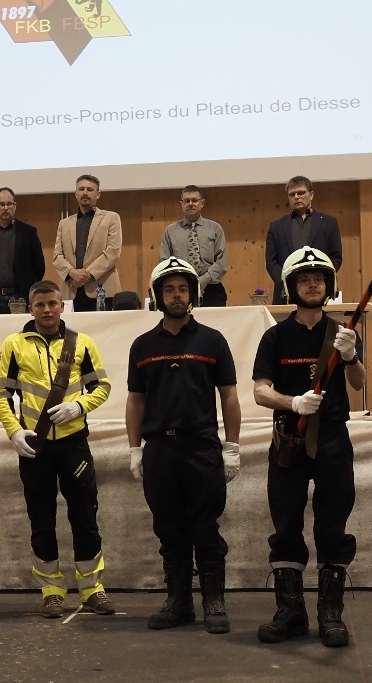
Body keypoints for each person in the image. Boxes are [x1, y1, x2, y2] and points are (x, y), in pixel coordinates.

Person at [252, 246, 363, 648]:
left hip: (332, 437)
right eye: (304, 279)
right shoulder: (275, 336)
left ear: (328, 286)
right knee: (285, 523)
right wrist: (292, 402)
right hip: (289, 437)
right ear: (291, 287)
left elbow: (359, 384)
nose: (312, 284)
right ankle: (290, 612)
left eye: (318, 278)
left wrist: (350, 357)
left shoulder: (343, 333)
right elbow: (261, 392)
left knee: (333, 522)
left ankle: (331, 615)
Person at [126, 257, 242, 634]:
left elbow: (228, 396)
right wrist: (134, 448)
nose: (177, 295)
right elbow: (135, 401)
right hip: (160, 451)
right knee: (169, 529)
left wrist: (232, 446)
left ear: (192, 293)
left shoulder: (212, 340)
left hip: (202, 449)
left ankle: (214, 602)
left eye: (183, 289)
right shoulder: (142, 346)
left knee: (205, 528)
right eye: (169, 289)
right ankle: (179, 603)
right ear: (158, 296)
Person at [0, 279, 117, 618]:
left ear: (62, 305)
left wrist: (79, 406)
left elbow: (103, 386)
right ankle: (51, 590)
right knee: (41, 519)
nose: (46, 310)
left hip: (74, 445)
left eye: (52, 303)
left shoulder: (82, 343)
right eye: (40, 305)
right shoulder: (14, 345)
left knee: (85, 516)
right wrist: (14, 431)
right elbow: (0, 393)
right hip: (34, 448)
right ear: (30, 309)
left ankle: (92, 588)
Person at [264, 176, 342, 304]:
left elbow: (335, 257)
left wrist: (320, 279)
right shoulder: (276, 226)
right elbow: (271, 262)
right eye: (292, 194)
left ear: (311, 195)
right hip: (286, 294)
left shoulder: (329, 223)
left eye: (301, 193)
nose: (296, 197)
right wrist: (287, 281)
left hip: (319, 292)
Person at [52, 174, 122, 311]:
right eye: (81, 189)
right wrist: (72, 273)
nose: (85, 193)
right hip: (70, 291)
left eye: (90, 190)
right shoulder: (64, 224)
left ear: (98, 194)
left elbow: (113, 252)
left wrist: (86, 275)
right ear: (76, 194)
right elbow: (57, 256)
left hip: (102, 291)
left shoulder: (111, 218)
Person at [0, 187, 46, 313]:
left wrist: (28, 289)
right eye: (2, 204)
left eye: (9, 204)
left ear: (15, 205)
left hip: (20, 297)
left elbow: (39, 266)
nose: (5, 208)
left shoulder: (28, 232)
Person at [159, 185, 230, 307]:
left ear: (202, 203)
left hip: (211, 289)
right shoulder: (170, 232)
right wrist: (186, 283)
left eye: (195, 200)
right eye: (186, 201)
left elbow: (221, 262)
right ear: (181, 204)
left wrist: (202, 282)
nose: (190, 204)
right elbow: (165, 262)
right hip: (181, 290)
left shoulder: (215, 229)